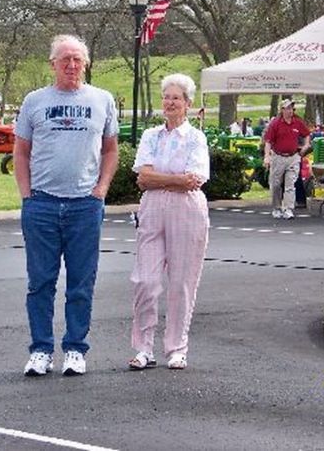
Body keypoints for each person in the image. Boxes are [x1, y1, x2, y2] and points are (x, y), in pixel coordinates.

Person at [13, 34, 119, 377]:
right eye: (65, 60)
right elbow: (21, 152)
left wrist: (101, 189)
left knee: (81, 283)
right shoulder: (34, 101)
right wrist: (27, 195)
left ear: (85, 63)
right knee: (40, 282)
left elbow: (110, 150)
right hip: (42, 204)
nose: (71, 65)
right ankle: (41, 351)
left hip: (85, 206)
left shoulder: (102, 100)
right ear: (53, 64)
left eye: (77, 59)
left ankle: (75, 348)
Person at [129, 73, 210, 371]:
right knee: (145, 280)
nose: (170, 102)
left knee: (181, 282)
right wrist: (173, 179)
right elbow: (142, 177)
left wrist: (157, 179)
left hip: (187, 210)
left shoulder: (195, 138)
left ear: (187, 103)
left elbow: (194, 180)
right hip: (152, 208)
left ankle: (177, 348)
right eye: (166, 97)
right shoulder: (151, 136)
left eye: (176, 98)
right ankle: (143, 348)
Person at [262, 98, 311, 219]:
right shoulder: (275, 123)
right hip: (278, 157)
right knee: (276, 184)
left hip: (293, 157)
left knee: (291, 184)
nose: (290, 111)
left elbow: (306, 134)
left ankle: (288, 208)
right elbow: (268, 141)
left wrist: (306, 145)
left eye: (292, 108)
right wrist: (267, 156)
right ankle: (277, 207)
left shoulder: (297, 122)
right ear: (282, 110)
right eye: (288, 108)